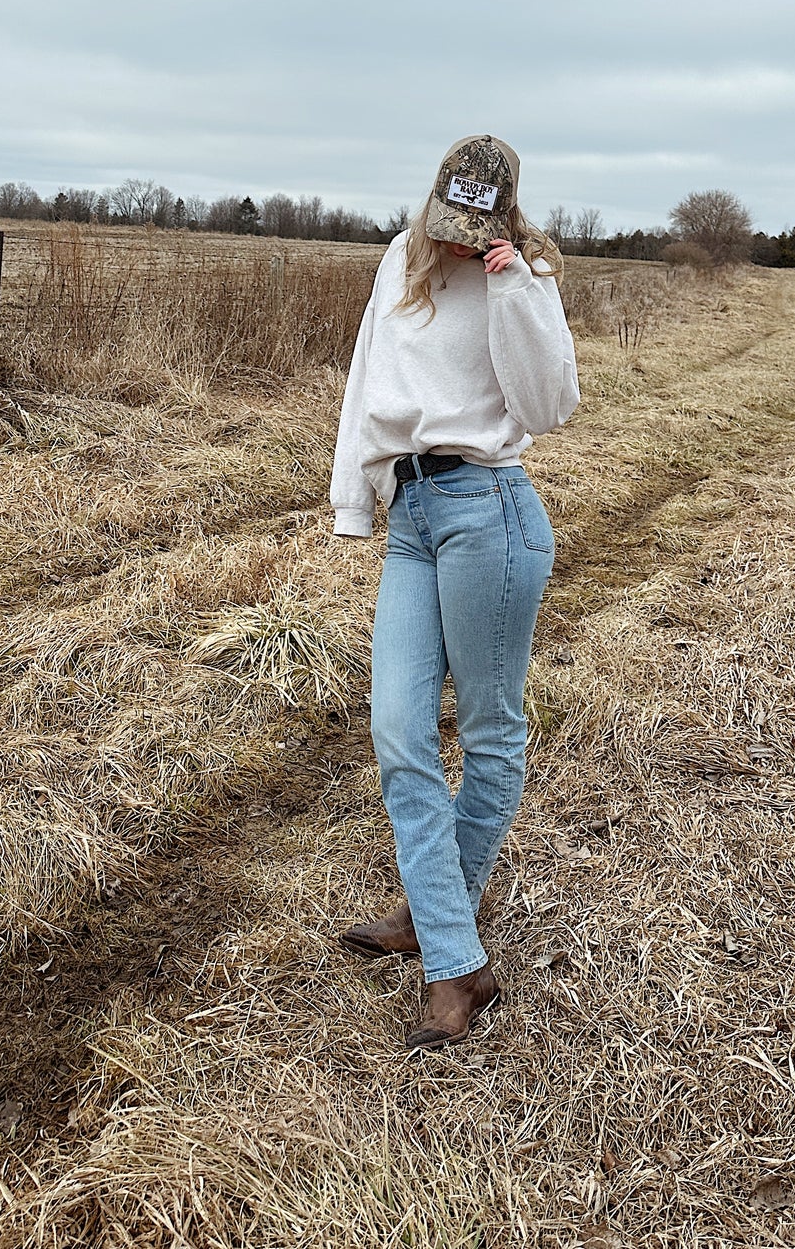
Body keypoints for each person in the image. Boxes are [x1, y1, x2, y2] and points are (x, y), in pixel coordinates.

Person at [330, 133, 580, 1049]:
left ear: (502, 216)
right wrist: (355, 504)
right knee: (397, 729)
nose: (457, 239)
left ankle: (444, 952)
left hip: (493, 513)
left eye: (475, 227)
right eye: (450, 222)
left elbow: (548, 406)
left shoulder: (528, 275)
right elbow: (365, 383)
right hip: (416, 513)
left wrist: (513, 285)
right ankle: (448, 930)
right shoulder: (400, 257)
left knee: (487, 730)